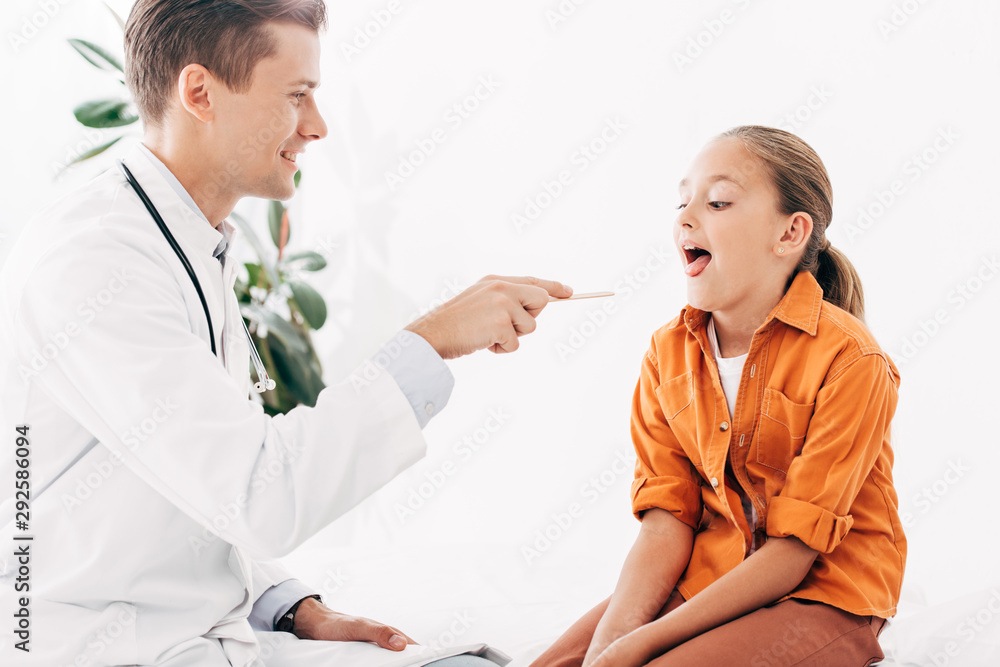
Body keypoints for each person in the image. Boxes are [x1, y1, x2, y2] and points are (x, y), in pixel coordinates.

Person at [0, 1, 571, 665]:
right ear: (200, 93)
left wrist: (290, 606)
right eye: (297, 95)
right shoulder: (95, 262)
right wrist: (430, 342)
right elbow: (257, 492)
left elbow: (190, 491)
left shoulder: (182, 241)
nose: (317, 125)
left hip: (191, 635)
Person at [529, 126, 906, 667]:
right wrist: (615, 636)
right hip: (712, 573)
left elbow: (795, 551)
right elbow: (668, 519)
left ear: (790, 233)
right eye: (682, 201)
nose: (685, 217)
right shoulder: (667, 353)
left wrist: (644, 642)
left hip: (824, 593)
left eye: (719, 201)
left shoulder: (852, 360)